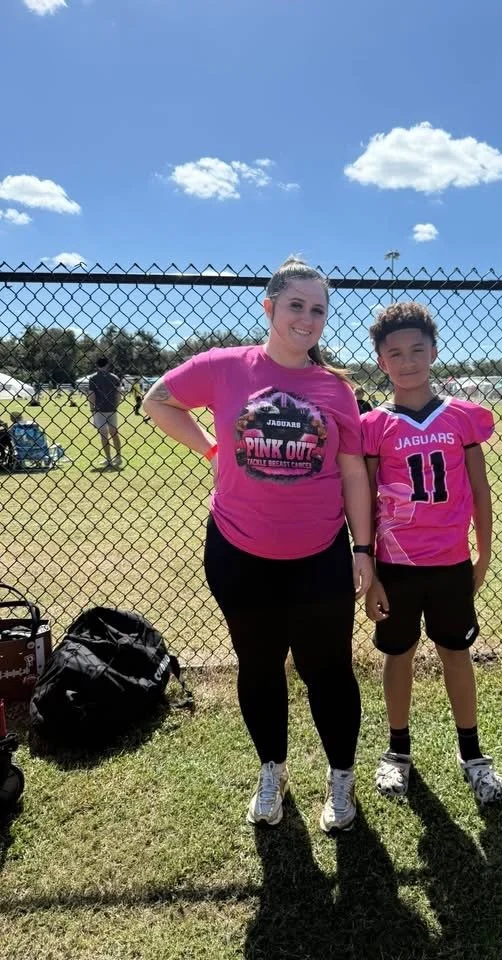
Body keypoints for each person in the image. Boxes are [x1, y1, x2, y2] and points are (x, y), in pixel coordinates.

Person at [143, 257, 374, 834]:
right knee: (260, 664)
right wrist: (210, 449)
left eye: (318, 309)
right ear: (269, 308)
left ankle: (340, 777)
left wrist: (362, 548)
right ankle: (272, 770)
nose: (307, 318)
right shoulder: (224, 367)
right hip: (238, 553)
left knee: (328, 671)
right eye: (295, 305)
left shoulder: (335, 389)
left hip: (319, 555)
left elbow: (352, 473)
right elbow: (156, 400)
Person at [362, 302, 502, 807]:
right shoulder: (374, 425)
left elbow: (480, 489)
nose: (407, 361)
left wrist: (482, 554)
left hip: (449, 562)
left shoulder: (462, 418)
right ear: (381, 360)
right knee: (397, 655)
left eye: (417, 350)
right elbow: (362, 501)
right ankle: (397, 751)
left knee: (455, 651)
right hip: (396, 565)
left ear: (434, 352)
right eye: (395, 353)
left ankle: (473, 755)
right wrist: (370, 573)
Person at [88, 357, 123, 469]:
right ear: (107, 365)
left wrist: (92, 408)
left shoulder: (93, 378)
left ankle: (108, 458)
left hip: (99, 409)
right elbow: (118, 393)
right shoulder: (114, 377)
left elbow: (91, 395)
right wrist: (116, 405)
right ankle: (118, 456)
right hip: (111, 408)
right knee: (114, 433)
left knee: (104, 434)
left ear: (97, 365)